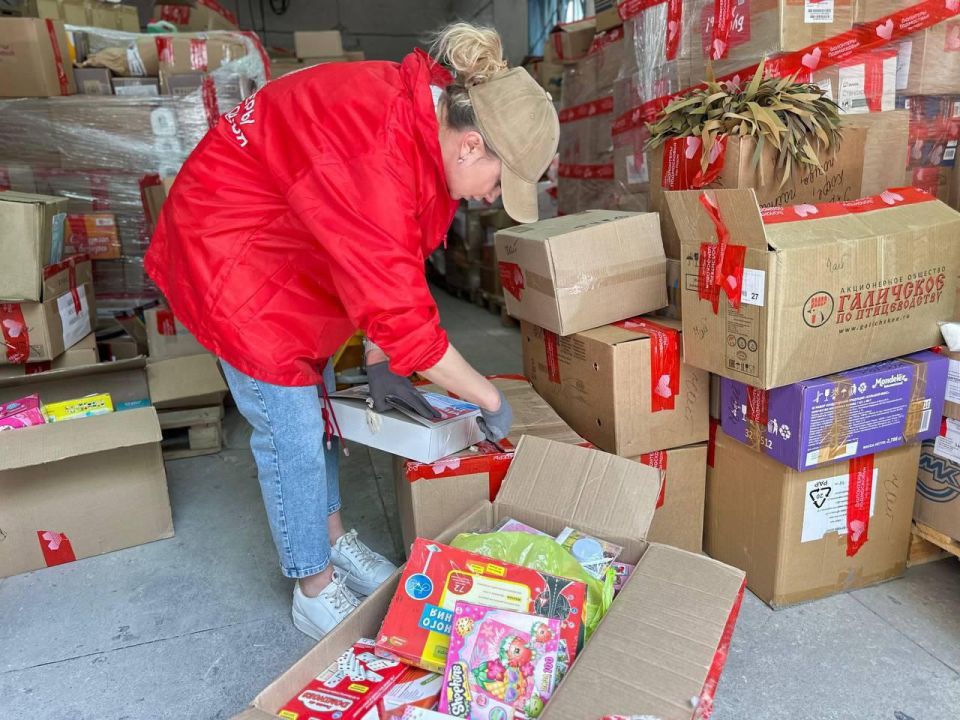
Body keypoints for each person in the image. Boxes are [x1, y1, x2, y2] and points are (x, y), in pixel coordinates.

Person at [144, 22, 559, 640]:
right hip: (231, 253)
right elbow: (407, 316)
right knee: (292, 428)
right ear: (472, 145)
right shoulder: (378, 156)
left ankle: (332, 540)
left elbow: (394, 257)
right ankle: (312, 585)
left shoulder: (424, 122)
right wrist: (490, 401)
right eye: (499, 184)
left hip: (286, 241)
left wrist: (377, 352)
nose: (489, 199)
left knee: (317, 411)